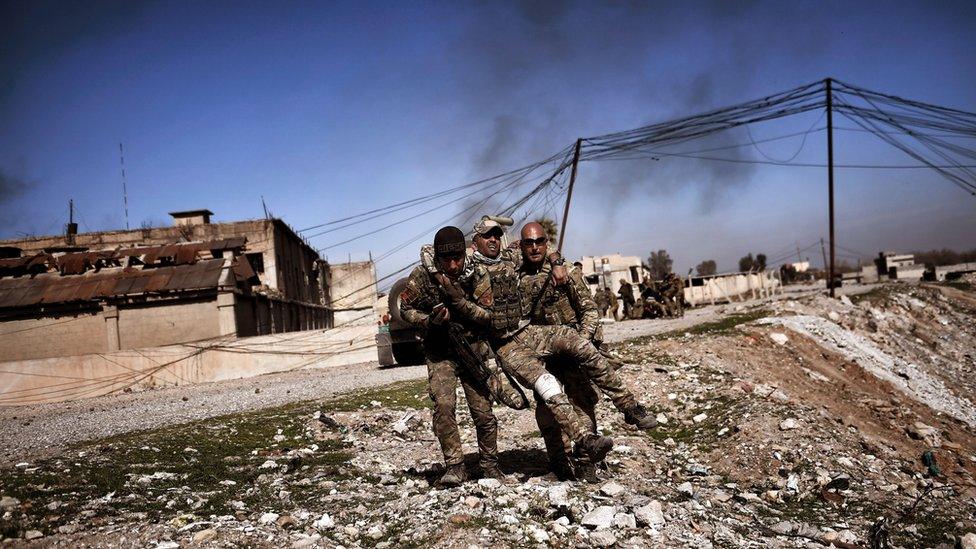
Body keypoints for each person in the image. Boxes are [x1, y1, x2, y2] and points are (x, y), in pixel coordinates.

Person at [398, 226, 503, 486]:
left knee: (483, 411)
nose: (453, 265)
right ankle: (455, 466)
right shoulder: (423, 275)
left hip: (472, 351)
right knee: (443, 408)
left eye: (457, 258)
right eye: (447, 260)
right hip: (440, 351)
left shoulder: (477, 274)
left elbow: (489, 315)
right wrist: (428, 321)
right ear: (438, 258)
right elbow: (405, 309)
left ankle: (489, 465)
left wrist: (460, 305)